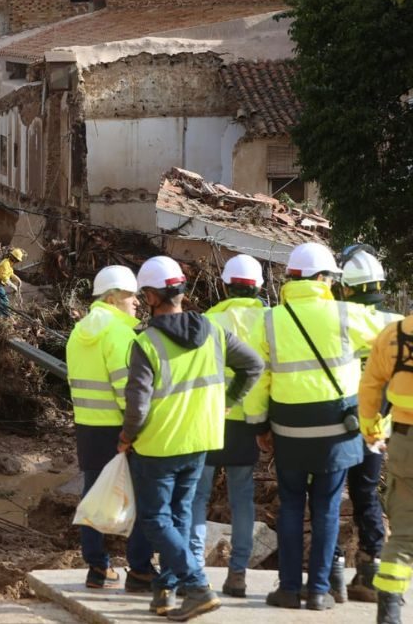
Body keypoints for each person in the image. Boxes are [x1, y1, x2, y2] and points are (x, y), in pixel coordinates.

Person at [119, 256, 263, 620]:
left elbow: (137, 406)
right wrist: (227, 403)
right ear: (181, 291)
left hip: (159, 445)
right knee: (179, 517)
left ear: (150, 297)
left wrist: (126, 437)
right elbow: (253, 365)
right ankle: (165, 592)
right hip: (200, 440)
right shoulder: (212, 331)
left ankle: (196, 585)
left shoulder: (147, 342)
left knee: (154, 519)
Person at [251, 242, 376, 611]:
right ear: (324, 279)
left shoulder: (271, 320)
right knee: (326, 509)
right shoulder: (345, 314)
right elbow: (392, 333)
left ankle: (289, 589)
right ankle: (319, 591)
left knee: (290, 506)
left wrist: (260, 425)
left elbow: (260, 379)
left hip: (289, 431)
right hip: (336, 432)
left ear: (292, 278)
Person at [65, 265, 157, 591]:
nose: (137, 302)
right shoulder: (119, 334)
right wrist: (135, 431)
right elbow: (127, 391)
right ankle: (140, 569)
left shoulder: (80, 331)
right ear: (115, 297)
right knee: (139, 496)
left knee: (94, 495)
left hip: (87, 427)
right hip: (117, 431)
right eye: (132, 295)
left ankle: (97, 567)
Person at [189, 255, 269, 598]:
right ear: (260, 288)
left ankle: (193, 572)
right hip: (248, 424)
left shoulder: (207, 319)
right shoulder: (270, 320)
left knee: (197, 498)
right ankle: (237, 574)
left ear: (224, 285)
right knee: (242, 500)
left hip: (207, 419)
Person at [335, 245, 405, 602]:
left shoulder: (337, 317)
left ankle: (329, 573)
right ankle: (369, 570)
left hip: (334, 420)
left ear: (345, 286)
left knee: (326, 493)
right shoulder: (394, 324)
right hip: (378, 426)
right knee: (366, 495)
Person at [360, 313, 413, 624]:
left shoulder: (393, 333)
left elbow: (370, 387)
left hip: (405, 442)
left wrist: (372, 431)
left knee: (404, 533)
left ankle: (389, 612)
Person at [0, 247, 25, 319]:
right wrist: (13, 286)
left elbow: (11, 274)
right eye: (17, 260)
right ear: (14, 258)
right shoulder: (5, 264)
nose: (16, 262)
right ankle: (6, 317)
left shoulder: (9, 264)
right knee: (5, 301)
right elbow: (4, 277)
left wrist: (18, 280)